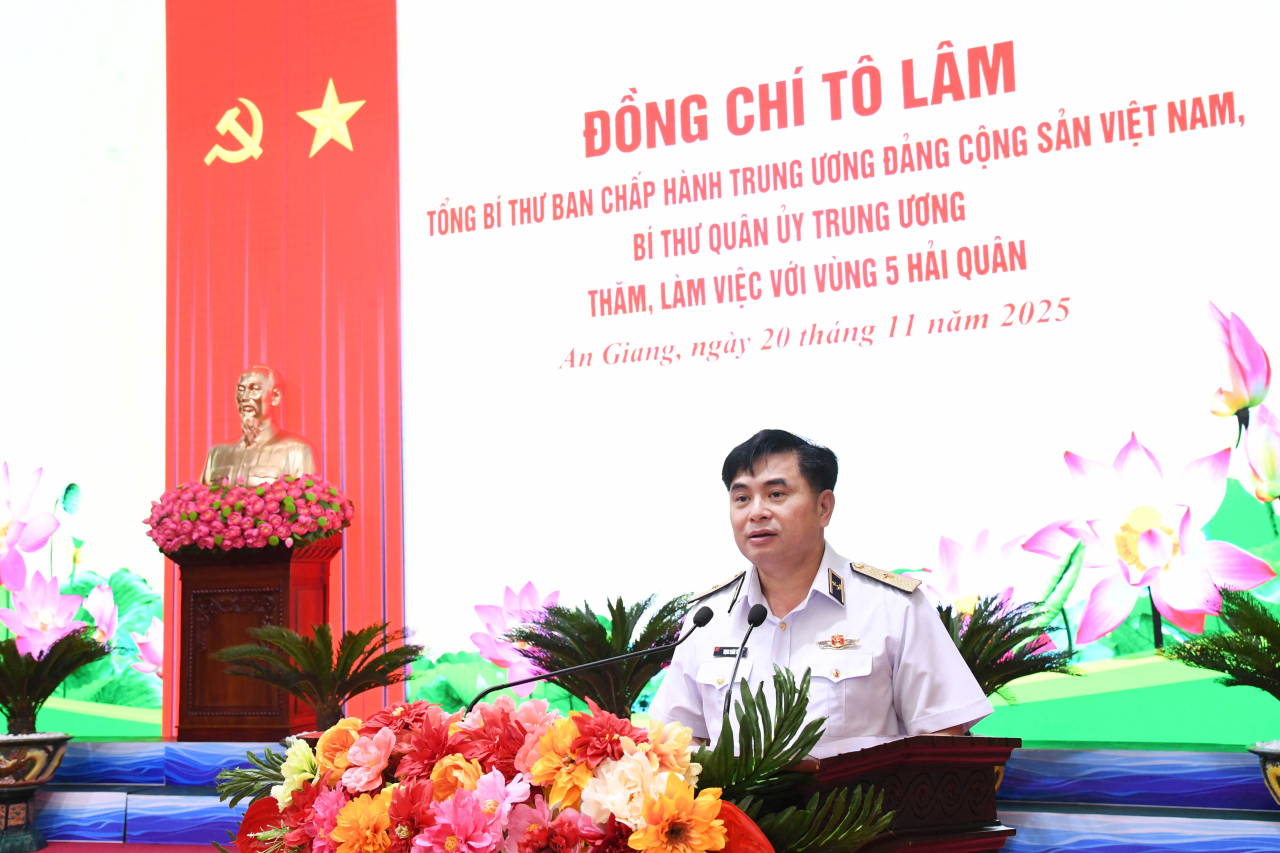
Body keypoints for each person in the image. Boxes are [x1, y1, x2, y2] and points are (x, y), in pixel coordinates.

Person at [648, 429, 992, 758]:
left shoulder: (893, 607)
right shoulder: (708, 619)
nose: (756, 512)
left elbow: (941, 735)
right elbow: (675, 743)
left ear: (824, 507)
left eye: (776, 494)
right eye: (742, 498)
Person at [200, 364, 317, 487]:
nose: (244, 397)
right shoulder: (217, 453)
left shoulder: (297, 451)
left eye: (254, 389)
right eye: (241, 390)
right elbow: (203, 494)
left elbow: (308, 496)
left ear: (275, 397)